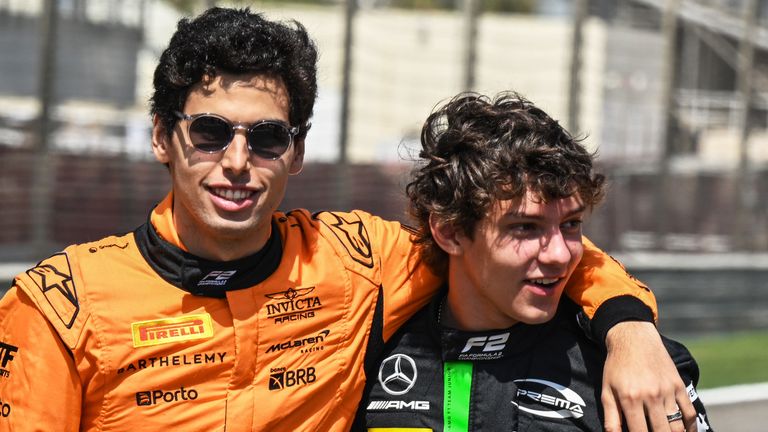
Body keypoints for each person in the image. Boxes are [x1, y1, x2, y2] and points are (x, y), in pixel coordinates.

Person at [0, 7, 690, 432]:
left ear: (296, 151)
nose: (238, 162)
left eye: (267, 138)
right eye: (210, 133)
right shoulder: (60, 305)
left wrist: (630, 332)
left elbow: (525, 236)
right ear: (162, 137)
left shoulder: (359, 260)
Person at [355, 92, 712, 432]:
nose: (560, 253)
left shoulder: (634, 369)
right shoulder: (368, 349)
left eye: (571, 224)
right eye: (526, 228)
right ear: (450, 233)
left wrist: (631, 331)